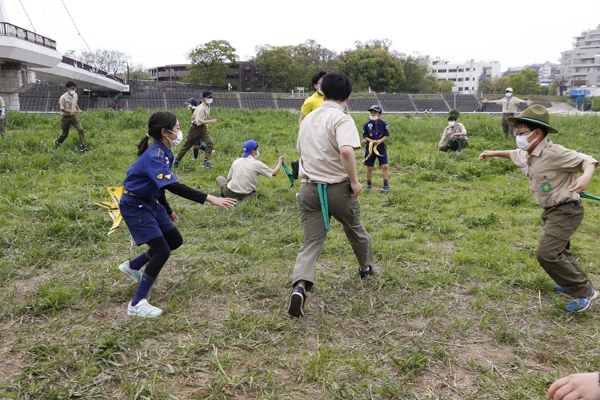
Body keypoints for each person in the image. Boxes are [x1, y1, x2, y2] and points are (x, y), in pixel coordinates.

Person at [479, 105, 598, 313]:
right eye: (516, 134)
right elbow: (513, 154)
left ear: (538, 133)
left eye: (521, 133)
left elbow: (587, 160)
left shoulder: (555, 153)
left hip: (567, 210)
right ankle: (575, 284)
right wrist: (492, 153)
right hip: (552, 211)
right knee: (561, 251)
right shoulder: (528, 153)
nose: (518, 137)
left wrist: (585, 177)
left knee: (547, 254)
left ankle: (584, 293)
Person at [117, 111, 235, 317]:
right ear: (165, 131)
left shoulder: (165, 151)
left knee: (174, 240)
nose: (180, 131)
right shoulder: (155, 155)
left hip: (150, 202)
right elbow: (173, 185)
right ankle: (136, 304)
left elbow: (159, 185)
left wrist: (168, 210)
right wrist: (209, 198)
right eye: (178, 128)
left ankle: (133, 266)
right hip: (135, 205)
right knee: (162, 251)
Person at [288, 72, 374, 318]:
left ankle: (299, 286)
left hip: (308, 188)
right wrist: (355, 182)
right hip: (338, 189)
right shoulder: (342, 118)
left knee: (311, 241)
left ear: (322, 92)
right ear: (348, 97)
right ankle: (365, 267)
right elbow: (346, 151)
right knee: (354, 228)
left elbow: (301, 151)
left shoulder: (307, 119)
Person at [216, 139, 285, 200]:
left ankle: (223, 194)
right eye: (257, 149)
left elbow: (228, 179)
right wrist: (280, 161)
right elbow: (274, 173)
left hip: (231, 193)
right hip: (248, 196)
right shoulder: (257, 164)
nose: (257, 151)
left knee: (219, 178)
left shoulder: (236, 161)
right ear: (253, 151)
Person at [174, 91, 216, 168]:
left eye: (211, 97)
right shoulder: (201, 108)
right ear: (203, 99)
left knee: (210, 142)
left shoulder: (208, 106)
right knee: (187, 145)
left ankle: (205, 161)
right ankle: (176, 160)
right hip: (195, 128)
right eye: (208, 98)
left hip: (203, 128)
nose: (210, 99)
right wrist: (211, 121)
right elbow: (199, 122)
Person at [362, 104, 390, 191]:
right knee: (369, 166)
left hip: (381, 147)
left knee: (385, 165)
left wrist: (380, 141)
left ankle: (386, 185)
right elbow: (365, 136)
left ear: (379, 114)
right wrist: (371, 140)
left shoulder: (384, 124)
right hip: (370, 148)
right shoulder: (367, 124)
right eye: (371, 112)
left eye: (375, 112)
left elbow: (386, 135)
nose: (373, 114)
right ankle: (369, 185)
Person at [55, 80, 87, 151]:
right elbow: (62, 109)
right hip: (66, 118)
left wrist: (79, 109)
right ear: (68, 88)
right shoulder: (63, 97)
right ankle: (57, 142)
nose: (74, 90)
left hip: (74, 117)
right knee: (65, 134)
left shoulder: (75, 95)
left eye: (74, 88)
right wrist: (73, 111)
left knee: (81, 129)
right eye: (72, 88)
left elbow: (75, 103)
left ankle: (82, 145)